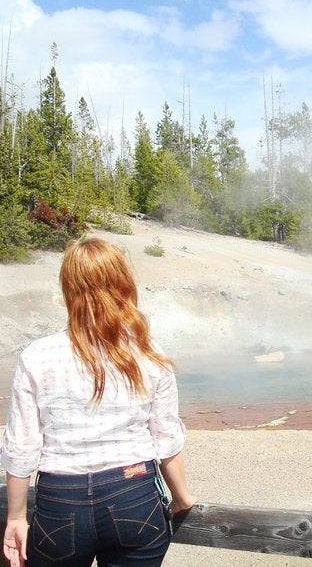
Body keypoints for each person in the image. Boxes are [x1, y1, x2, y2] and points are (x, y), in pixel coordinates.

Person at [1, 237, 197, 567]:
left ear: (68, 288)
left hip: (60, 500)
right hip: (134, 492)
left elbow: (21, 446)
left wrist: (17, 517)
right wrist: (182, 497)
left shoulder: (37, 356)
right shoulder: (148, 354)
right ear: (124, 284)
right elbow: (165, 438)